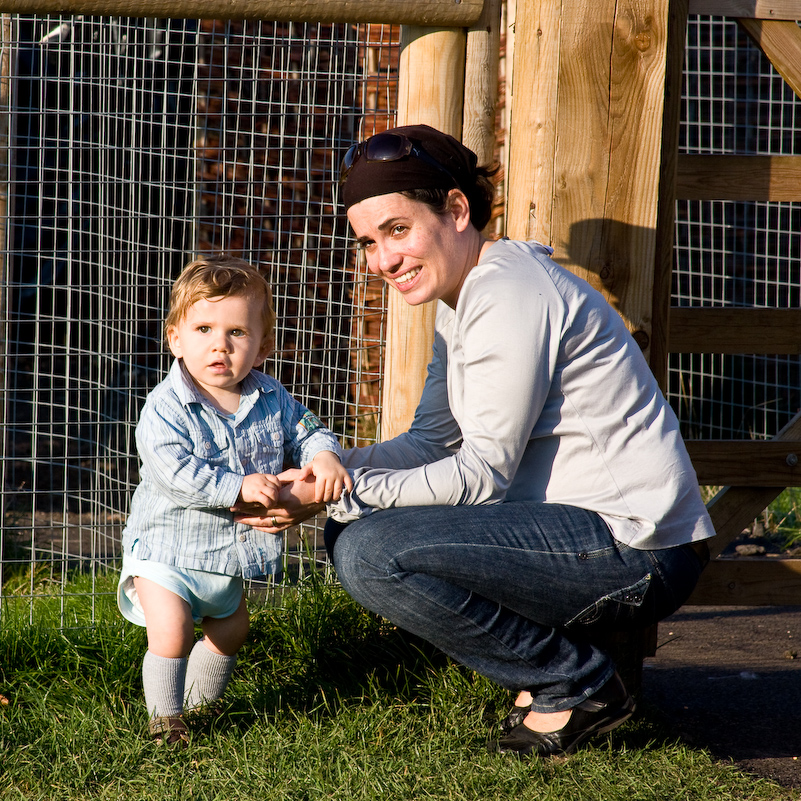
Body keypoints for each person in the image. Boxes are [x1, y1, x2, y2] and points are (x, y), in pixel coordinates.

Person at [236, 124, 715, 758]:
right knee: (353, 535)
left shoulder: (510, 292)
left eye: (398, 231)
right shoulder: (460, 297)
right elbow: (433, 442)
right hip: (579, 533)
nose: (382, 261)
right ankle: (560, 674)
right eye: (369, 242)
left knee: (369, 551)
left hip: (637, 548)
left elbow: (482, 473)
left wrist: (338, 496)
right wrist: (322, 474)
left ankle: (574, 680)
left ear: (457, 209)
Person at [117, 254, 351, 746]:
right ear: (176, 338)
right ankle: (166, 722)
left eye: (237, 333)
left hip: (229, 554)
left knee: (232, 630)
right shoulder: (165, 406)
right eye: (203, 328)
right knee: (173, 631)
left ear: (262, 347)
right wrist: (235, 487)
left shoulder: (271, 396)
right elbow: (171, 471)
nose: (219, 345)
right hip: (166, 548)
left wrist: (325, 455)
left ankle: (201, 709)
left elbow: (306, 430)